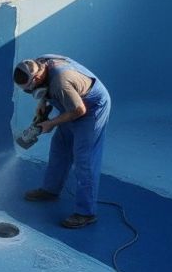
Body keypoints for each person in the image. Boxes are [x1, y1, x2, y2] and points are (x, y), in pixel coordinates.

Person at [13, 54, 111, 228]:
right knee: (59, 147)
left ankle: (86, 213)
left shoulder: (61, 82)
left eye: (30, 89)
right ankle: (50, 190)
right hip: (72, 101)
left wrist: (51, 123)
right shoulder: (40, 62)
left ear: (36, 78)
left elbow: (79, 110)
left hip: (91, 108)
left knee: (84, 159)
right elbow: (50, 86)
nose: (30, 92)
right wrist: (43, 102)